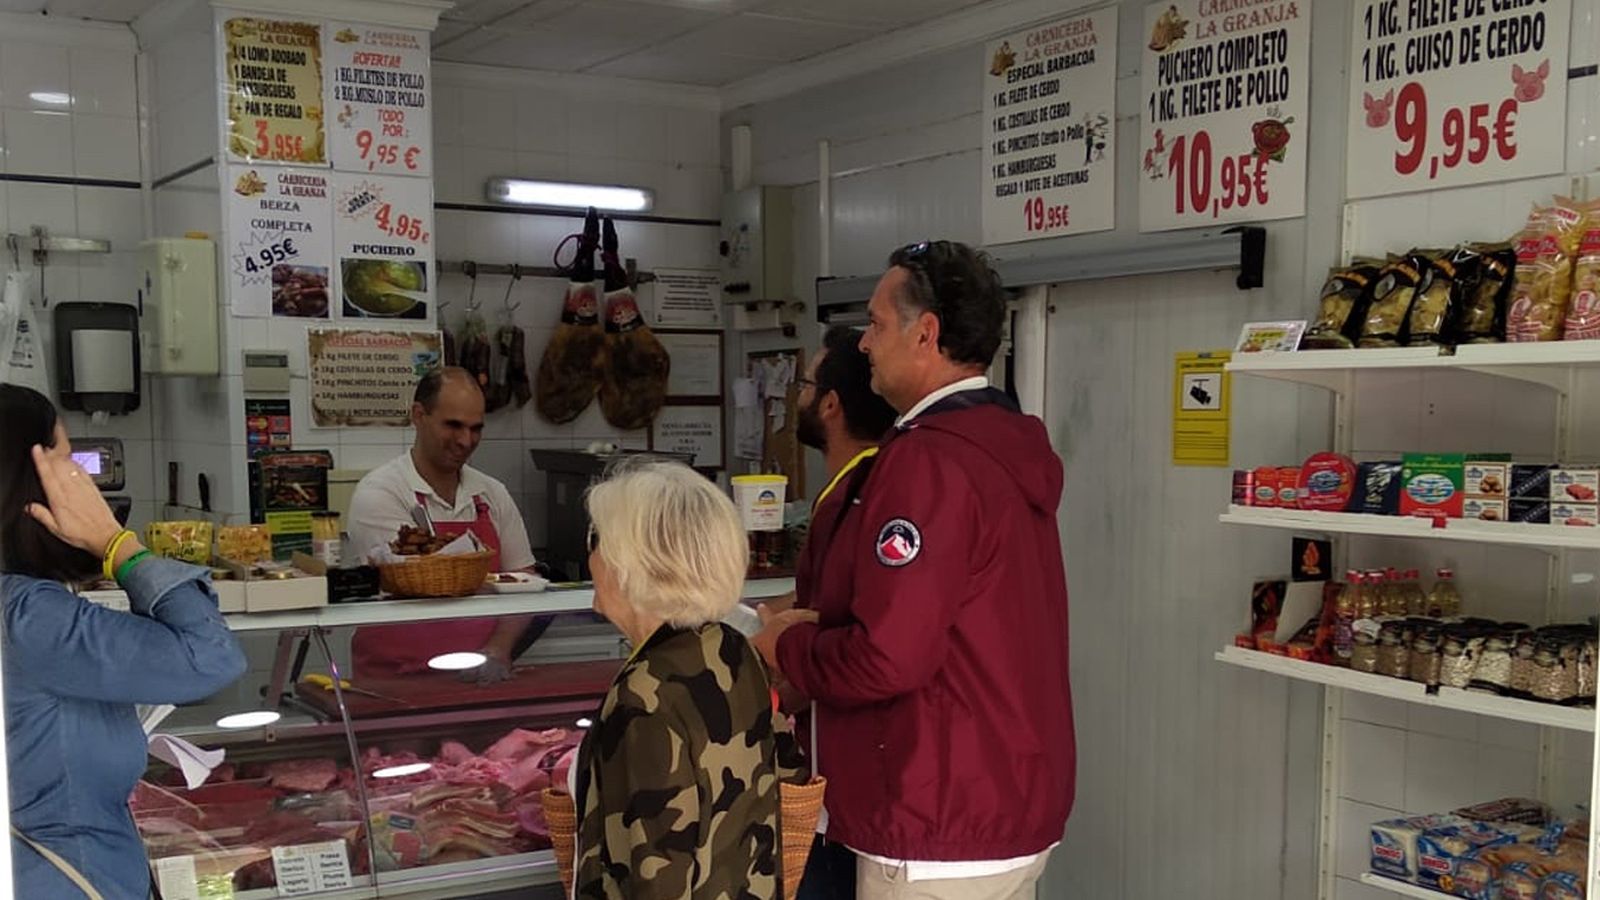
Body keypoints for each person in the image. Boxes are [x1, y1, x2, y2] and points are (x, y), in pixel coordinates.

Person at [752, 241, 1075, 900]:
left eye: (875, 324)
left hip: (937, 817)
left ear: (925, 333)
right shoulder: (998, 441)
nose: (864, 343)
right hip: (1001, 803)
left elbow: (887, 657)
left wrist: (788, 645)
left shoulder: (929, 461)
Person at [0, 383, 247, 898]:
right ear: (30, 480)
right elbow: (209, 656)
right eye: (67, 462)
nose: (83, 482)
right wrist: (117, 544)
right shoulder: (30, 618)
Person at [571, 459, 802, 899]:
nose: (591, 558)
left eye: (596, 540)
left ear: (630, 563)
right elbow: (788, 773)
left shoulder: (644, 695)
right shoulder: (732, 649)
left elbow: (654, 875)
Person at [781, 325, 897, 900]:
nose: (798, 397)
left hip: (852, 783)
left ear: (829, 404)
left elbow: (840, 632)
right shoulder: (863, 484)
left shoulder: (858, 493)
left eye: (805, 385)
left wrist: (778, 646)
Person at [347, 367, 550, 681]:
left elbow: (525, 582)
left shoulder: (491, 493)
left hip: (479, 675)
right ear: (418, 415)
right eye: (453, 425)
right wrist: (494, 586)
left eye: (476, 429)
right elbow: (415, 584)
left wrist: (498, 649)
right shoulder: (381, 492)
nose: (466, 441)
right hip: (395, 682)